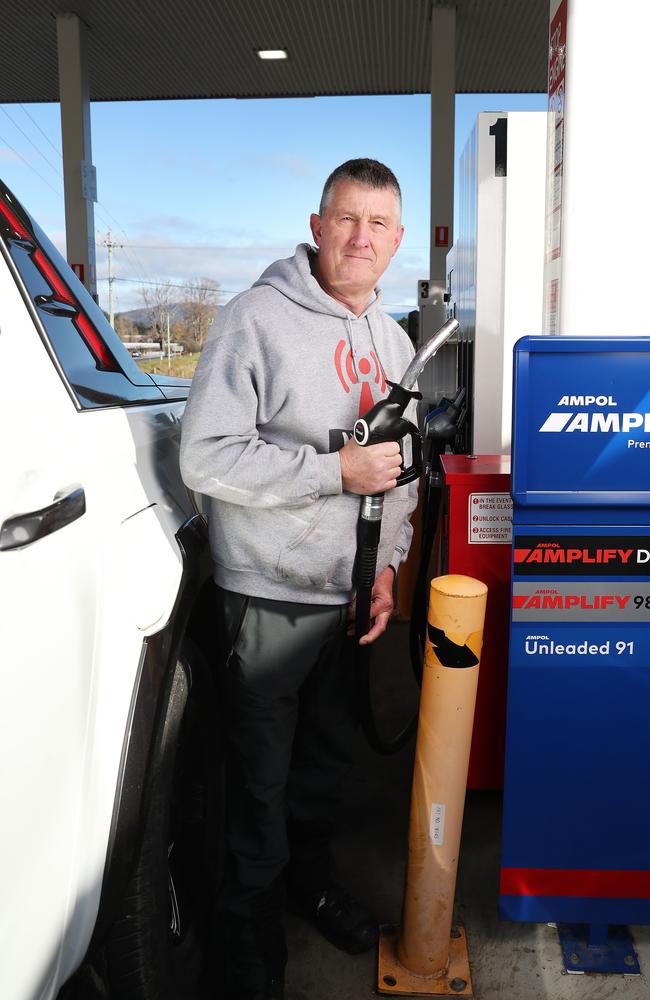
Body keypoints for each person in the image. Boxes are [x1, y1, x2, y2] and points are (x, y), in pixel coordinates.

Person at [180, 158, 418, 1000]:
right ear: (317, 228)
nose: (361, 237)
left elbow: (403, 474)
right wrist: (332, 472)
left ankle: (309, 888)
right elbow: (205, 457)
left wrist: (386, 568)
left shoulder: (393, 343)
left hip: (348, 598)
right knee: (256, 783)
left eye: (379, 224)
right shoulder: (257, 319)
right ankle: (247, 958)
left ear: (398, 240)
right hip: (267, 599)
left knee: (322, 769)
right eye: (346, 219)